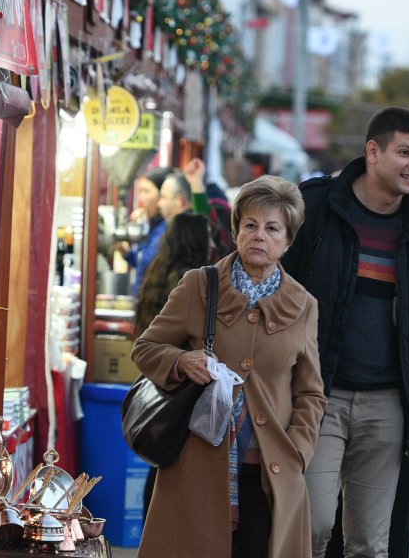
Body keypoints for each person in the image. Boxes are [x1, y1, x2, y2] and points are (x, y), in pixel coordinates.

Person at [280, 106, 409, 558]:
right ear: (373, 151)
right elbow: (274, 292)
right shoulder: (316, 204)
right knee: (313, 527)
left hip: (389, 403)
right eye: (405, 152)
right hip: (317, 394)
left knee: (370, 543)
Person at [132, 176, 326, 557]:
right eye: (251, 225)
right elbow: (146, 347)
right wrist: (182, 361)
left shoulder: (303, 305)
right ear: (236, 230)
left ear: (287, 242)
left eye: (272, 229)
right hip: (198, 465)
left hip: (270, 471)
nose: (259, 236)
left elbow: (310, 392)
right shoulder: (198, 286)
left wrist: (298, 451)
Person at [133, 213, 218, 515]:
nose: (211, 242)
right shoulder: (193, 283)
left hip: (159, 384)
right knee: (168, 465)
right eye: (207, 234)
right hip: (179, 387)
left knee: (159, 459)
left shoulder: (158, 271)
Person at [125, 167, 172, 295]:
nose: (142, 197)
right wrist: (125, 253)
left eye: (146, 191)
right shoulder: (153, 225)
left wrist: (144, 226)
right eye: (140, 191)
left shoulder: (167, 228)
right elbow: (140, 262)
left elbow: (149, 263)